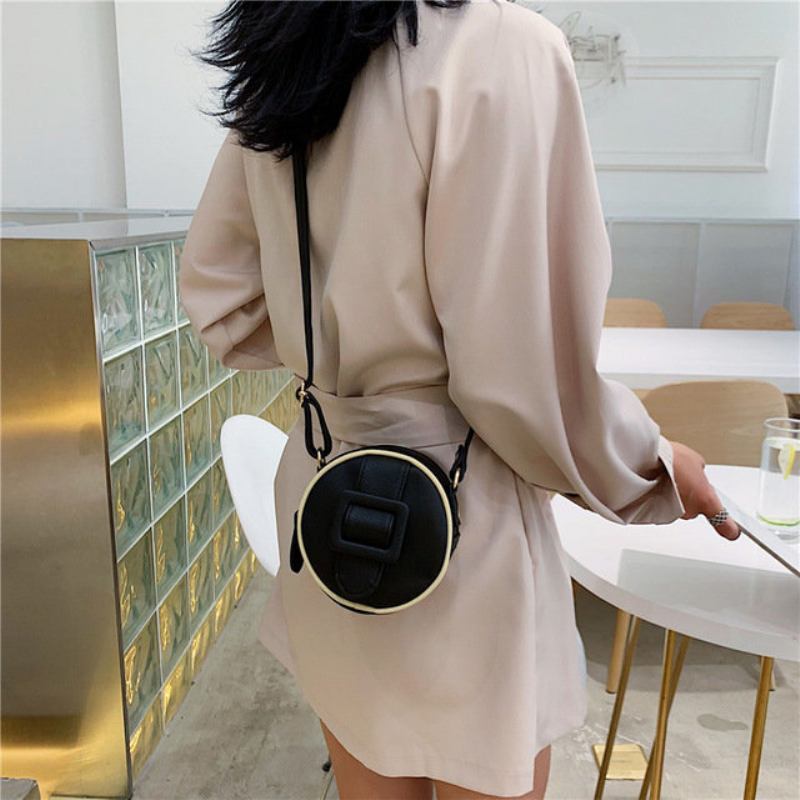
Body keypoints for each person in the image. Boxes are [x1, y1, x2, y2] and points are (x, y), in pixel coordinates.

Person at [179, 1, 740, 798]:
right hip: (463, 520)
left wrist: (346, 364)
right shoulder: (503, 47)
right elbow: (526, 378)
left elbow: (222, 295)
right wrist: (651, 464)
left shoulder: (288, 46)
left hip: (326, 504)